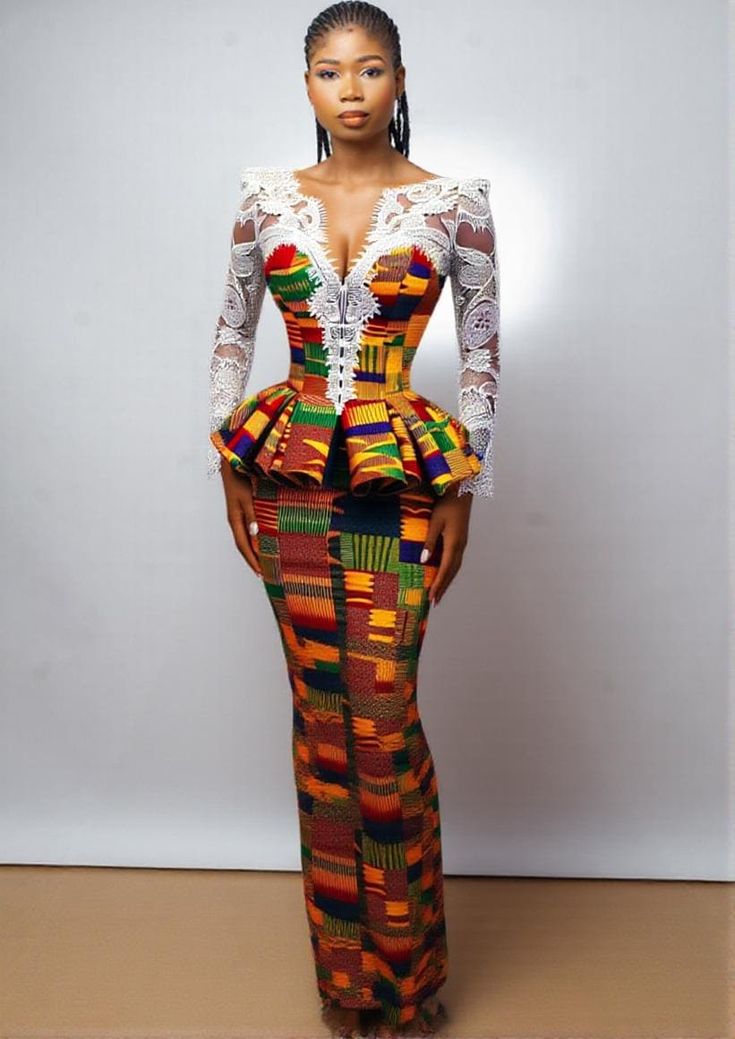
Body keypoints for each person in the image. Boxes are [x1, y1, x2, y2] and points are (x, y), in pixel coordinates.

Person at [207, 3, 500, 1035]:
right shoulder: (264, 197)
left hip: (396, 477)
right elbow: (232, 333)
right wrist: (227, 462)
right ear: (307, 86)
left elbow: (480, 353)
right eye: (330, 71)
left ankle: (408, 978)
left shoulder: (455, 203)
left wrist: (463, 486)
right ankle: (346, 981)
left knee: (381, 716)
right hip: (288, 476)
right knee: (320, 723)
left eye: (371, 69)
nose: (351, 89)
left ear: (400, 80)